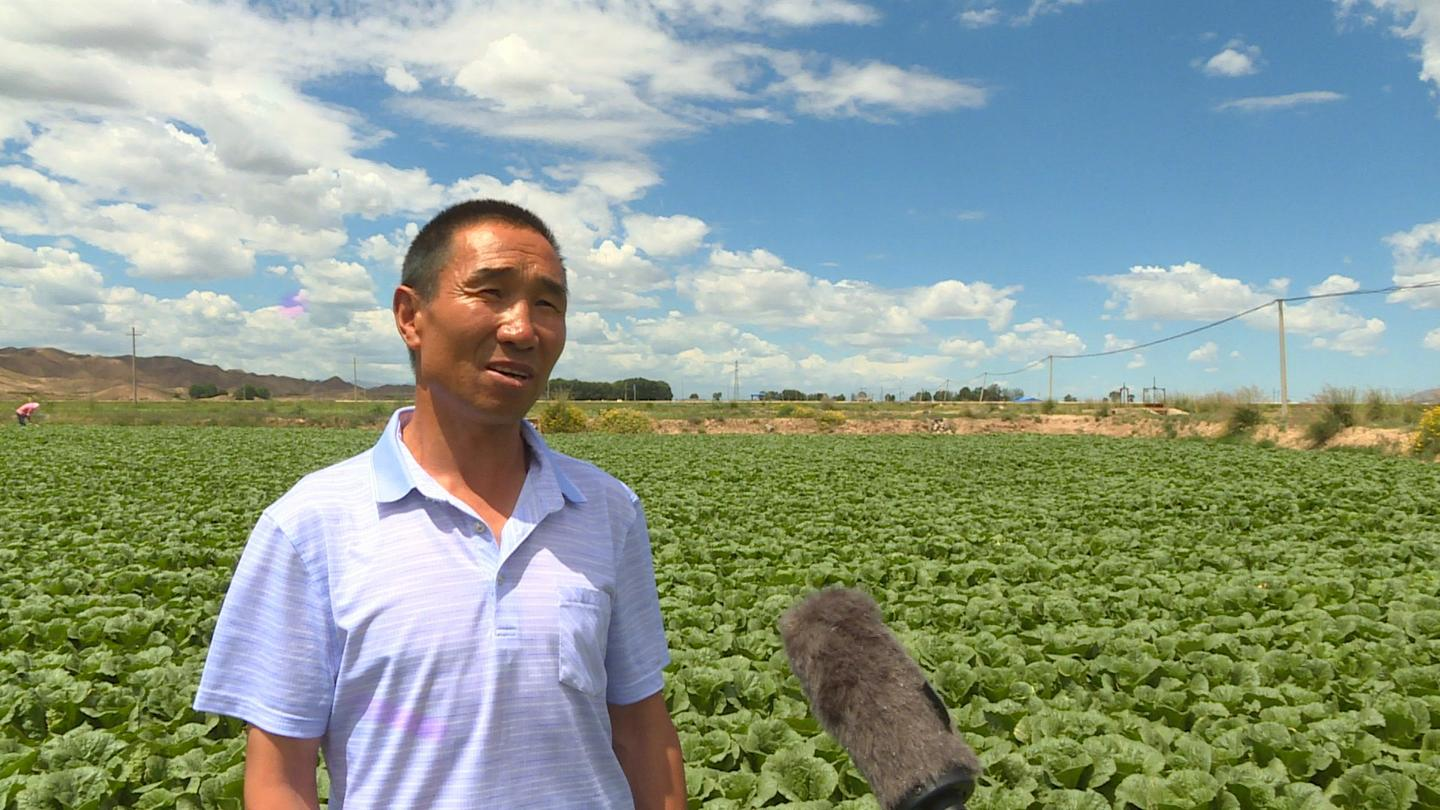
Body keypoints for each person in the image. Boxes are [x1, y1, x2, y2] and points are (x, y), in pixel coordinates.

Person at [194, 200, 685, 809]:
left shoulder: (608, 510)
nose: (522, 328)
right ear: (409, 317)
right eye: (491, 293)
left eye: (548, 304)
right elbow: (279, 777)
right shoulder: (310, 525)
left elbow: (643, 731)